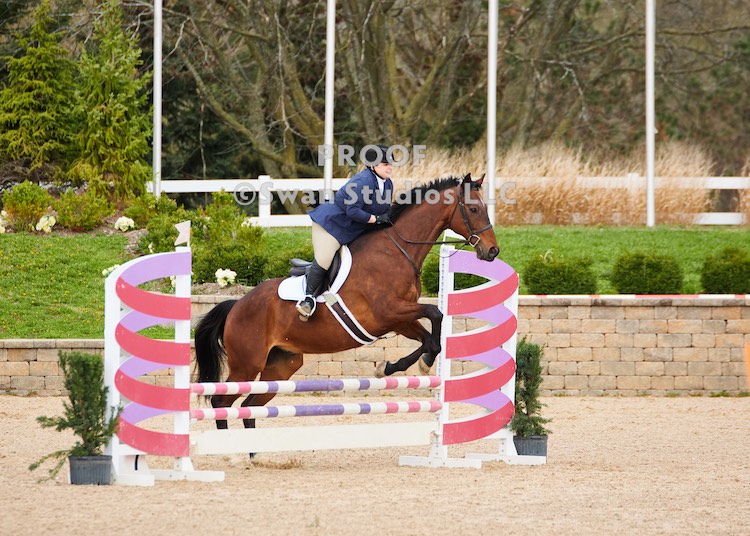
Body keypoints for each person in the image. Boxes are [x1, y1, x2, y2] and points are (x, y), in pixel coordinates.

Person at [296, 144, 395, 318]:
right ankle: (308, 299)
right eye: (385, 164)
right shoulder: (361, 182)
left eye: (391, 164)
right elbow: (352, 210)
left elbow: (384, 210)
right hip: (331, 225)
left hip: (354, 228)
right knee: (325, 258)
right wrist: (377, 219)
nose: (390, 167)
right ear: (373, 165)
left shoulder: (388, 184)